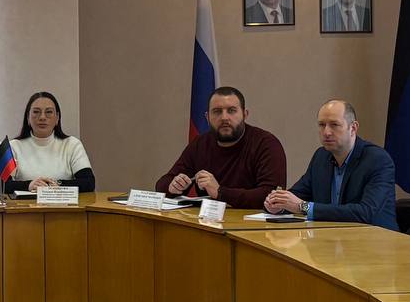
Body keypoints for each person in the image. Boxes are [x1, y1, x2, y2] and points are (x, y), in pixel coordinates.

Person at [264, 99, 397, 229]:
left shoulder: (377, 160)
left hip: (375, 239)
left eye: (334, 125)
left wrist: (303, 207)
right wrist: (278, 204)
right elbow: (298, 196)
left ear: (353, 128)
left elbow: (365, 212)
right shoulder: (321, 156)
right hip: (331, 237)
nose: (326, 132)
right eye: (322, 125)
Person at [156, 86, 285, 208]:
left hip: (250, 221)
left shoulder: (266, 143)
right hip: (208, 220)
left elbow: (271, 195)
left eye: (231, 111)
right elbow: (161, 185)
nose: (224, 118)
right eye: (217, 112)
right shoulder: (200, 144)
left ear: (245, 115)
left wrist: (220, 192)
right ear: (207, 117)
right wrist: (172, 186)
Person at [6, 91, 95, 192]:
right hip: (26, 202)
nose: (42, 117)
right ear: (28, 118)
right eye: (36, 112)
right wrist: (29, 185)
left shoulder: (72, 145)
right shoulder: (13, 147)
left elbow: (88, 182)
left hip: (62, 202)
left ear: (57, 118)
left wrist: (56, 184)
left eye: (48, 112)